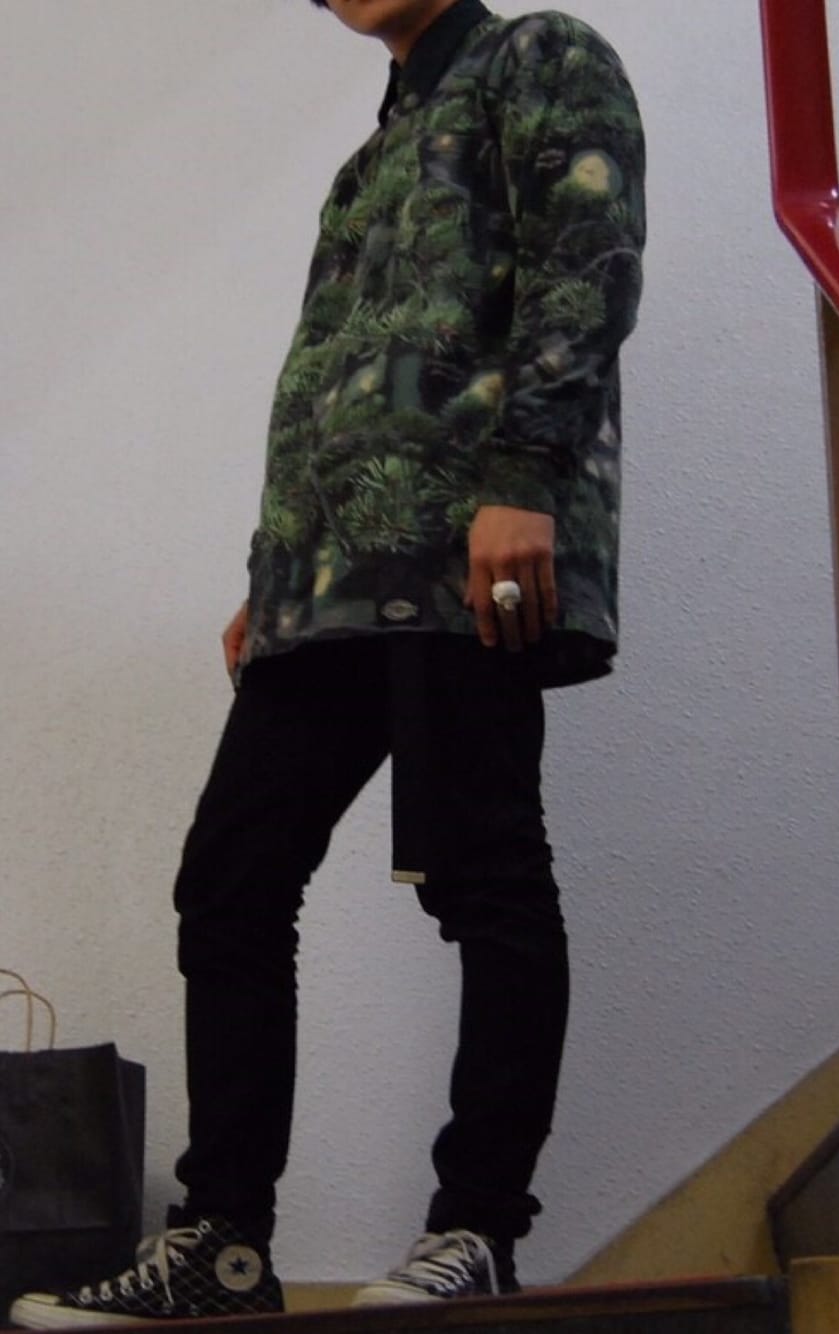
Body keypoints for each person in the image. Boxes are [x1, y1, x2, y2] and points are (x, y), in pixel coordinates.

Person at [9, 0, 645, 1324]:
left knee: (485, 875)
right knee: (230, 880)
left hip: (467, 555)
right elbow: (324, 382)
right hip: (331, 585)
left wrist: (524, 474)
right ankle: (223, 1246)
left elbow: (586, 266)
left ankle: (477, 1229)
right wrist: (274, 573)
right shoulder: (367, 165)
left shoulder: (540, 58)